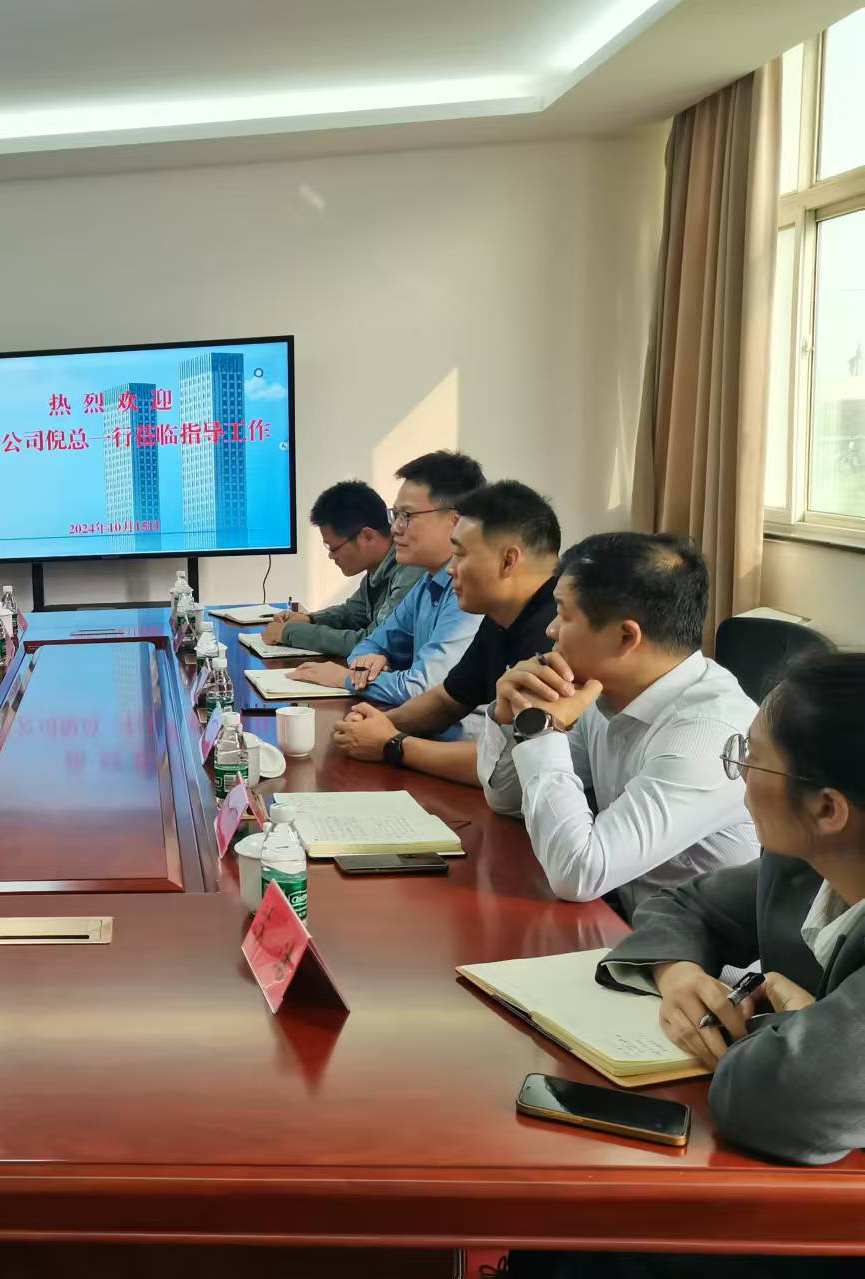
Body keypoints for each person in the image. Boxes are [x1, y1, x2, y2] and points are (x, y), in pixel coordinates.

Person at [509, 652, 858, 1279]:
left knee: (589, 1245)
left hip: (836, 1221)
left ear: (827, 809)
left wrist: (781, 1026)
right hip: (797, 1177)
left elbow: (776, 1102)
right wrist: (678, 975)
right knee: (563, 1215)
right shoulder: (802, 862)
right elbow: (682, 903)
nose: (738, 776)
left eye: (751, 759)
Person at [481, 532, 759, 913]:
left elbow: (580, 873)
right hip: (624, 924)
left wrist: (541, 730)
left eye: (564, 614)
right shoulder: (599, 691)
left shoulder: (707, 734)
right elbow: (507, 799)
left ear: (626, 636)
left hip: (698, 948)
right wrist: (508, 715)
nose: (551, 630)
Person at [332, 480, 560, 786]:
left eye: (461, 555)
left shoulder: (556, 633)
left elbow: (512, 767)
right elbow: (447, 700)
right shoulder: (499, 618)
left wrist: (392, 744)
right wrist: (376, 723)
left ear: (508, 561)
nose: (450, 569)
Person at [292, 450, 486, 707]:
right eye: (395, 515)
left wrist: (345, 678)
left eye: (407, 516)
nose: (395, 528)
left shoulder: (472, 592)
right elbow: (371, 643)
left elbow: (422, 688)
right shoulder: (428, 583)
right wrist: (369, 662)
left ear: (455, 521)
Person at [260, 480, 423, 658]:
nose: (331, 556)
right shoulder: (377, 570)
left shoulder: (411, 570)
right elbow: (351, 614)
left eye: (334, 548)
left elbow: (374, 643)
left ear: (368, 536)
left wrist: (289, 633)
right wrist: (310, 619)